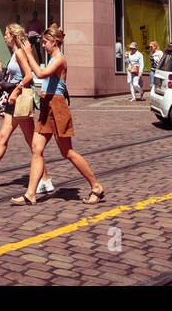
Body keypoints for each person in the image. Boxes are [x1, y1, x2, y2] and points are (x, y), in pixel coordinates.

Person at [12, 24, 105, 206]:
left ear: (54, 42)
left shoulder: (60, 60)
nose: (43, 45)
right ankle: (30, 194)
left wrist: (29, 53)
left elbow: (40, 73)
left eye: (45, 42)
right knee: (37, 149)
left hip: (57, 107)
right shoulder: (53, 59)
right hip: (47, 107)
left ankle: (96, 186)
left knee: (67, 152)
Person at [0, 26, 53, 194]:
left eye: (6, 35)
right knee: (9, 138)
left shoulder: (20, 53)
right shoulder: (15, 53)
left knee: (32, 145)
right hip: (14, 100)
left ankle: (45, 180)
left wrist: (15, 90)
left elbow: (29, 76)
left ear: (13, 36)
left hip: (19, 99)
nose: (4, 37)